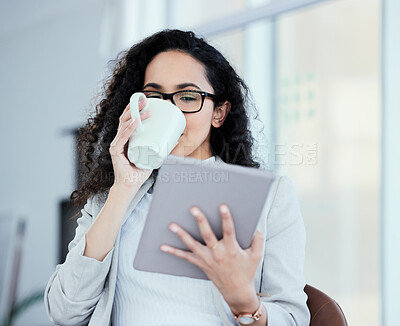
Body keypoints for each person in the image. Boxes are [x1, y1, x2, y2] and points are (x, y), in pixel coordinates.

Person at [44, 29, 310, 326]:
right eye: (154, 96)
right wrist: (124, 188)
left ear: (218, 113)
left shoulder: (270, 198)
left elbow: (292, 319)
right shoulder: (110, 198)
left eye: (187, 96)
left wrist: (242, 299)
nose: (170, 110)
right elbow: (63, 313)